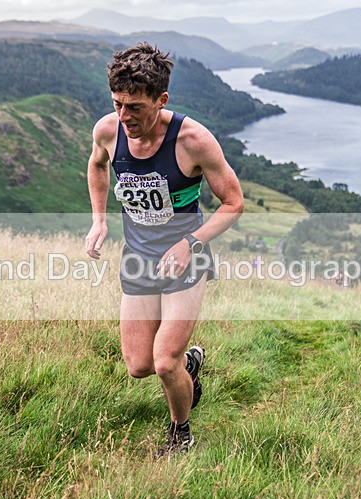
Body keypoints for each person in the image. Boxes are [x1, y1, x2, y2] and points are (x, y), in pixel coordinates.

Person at [84, 43, 244, 457]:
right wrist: (99, 219)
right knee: (138, 365)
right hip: (138, 260)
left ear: (161, 100)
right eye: (118, 103)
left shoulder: (193, 140)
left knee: (162, 362)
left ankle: (180, 433)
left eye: (135, 107)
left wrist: (191, 242)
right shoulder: (108, 130)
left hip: (185, 261)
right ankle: (190, 366)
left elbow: (233, 202)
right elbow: (98, 164)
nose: (125, 116)